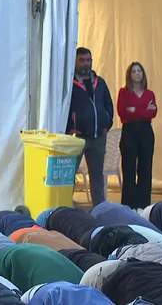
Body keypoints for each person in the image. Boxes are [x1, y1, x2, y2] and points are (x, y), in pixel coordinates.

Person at [67, 47, 114, 206]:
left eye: (88, 60)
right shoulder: (69, 84)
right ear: (74, 61)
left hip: (98, 136)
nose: (85, 64)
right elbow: (64, 107)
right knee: (69, 173)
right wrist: (70, 128)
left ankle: (99, 207)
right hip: (78, 137)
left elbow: (108, 104)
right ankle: (67, 205)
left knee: (97, 175)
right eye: (82, 60)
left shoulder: (99, 82)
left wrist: (107, 124)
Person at [117, 62, 157, 210]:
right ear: (130, 75)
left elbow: (153, 113)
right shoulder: (124, 92)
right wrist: (143, 110)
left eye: (139, 71)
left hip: (146, 131)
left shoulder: (149, 93)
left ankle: (144, 204)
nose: (137, 74)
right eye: (134, 71)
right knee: (129, 168)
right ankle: (128, 204)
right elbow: (123, 112)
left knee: (145, 169)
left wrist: (135, 110)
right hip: (129, 132)